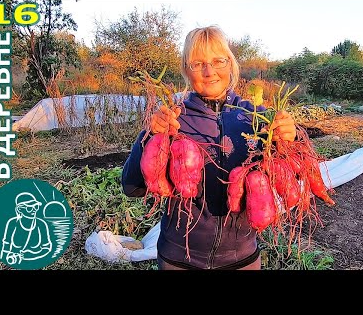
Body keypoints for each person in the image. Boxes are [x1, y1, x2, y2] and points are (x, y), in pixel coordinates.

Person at [122, 25, 296, 270]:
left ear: (231, 64)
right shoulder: (172, 118)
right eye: (197, 63)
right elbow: (132, 188)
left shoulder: (258, 119)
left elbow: (289, 181)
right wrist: (151, 136)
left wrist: (289, 140)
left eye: (219, 61)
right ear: (185, 69)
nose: (209, 71)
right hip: (178, 258)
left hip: (242, 258)